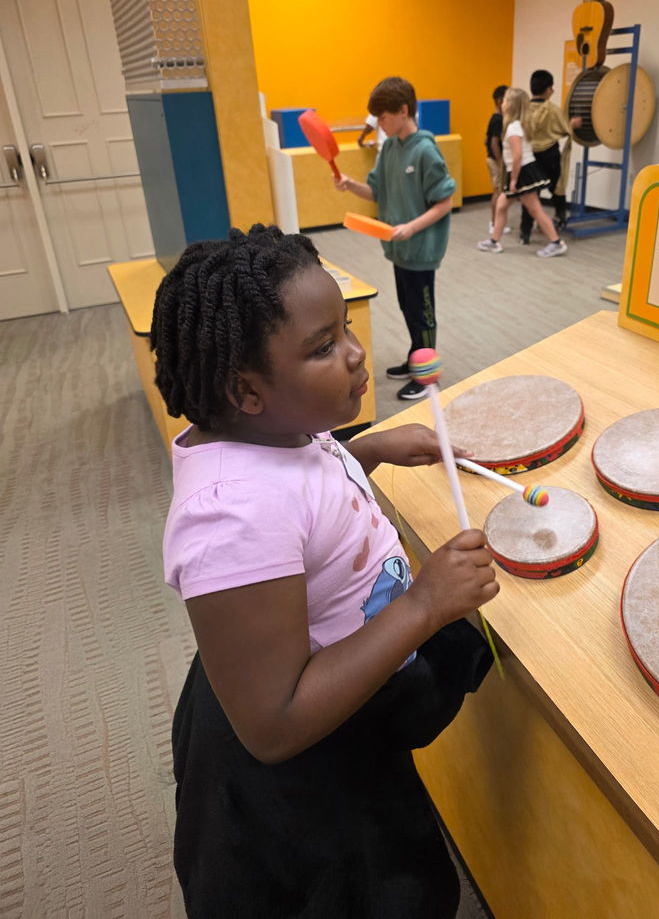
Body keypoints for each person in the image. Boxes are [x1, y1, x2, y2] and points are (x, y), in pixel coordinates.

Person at [151, 224, 497, 919]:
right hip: (302, 762)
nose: (356, 352)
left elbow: (305, 485)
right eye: (323, 347)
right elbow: (273, 724)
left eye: (345, 328)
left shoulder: (277, 428)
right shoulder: (230, 518)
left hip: (332, 683)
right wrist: (423, 607)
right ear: (244, 388)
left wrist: (368, 451)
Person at [334, 76, 455, 402]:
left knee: (423, 311)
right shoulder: (388, 148)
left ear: (403, 111)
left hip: (421, 248)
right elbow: (376, 190)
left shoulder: (426, 151)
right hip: (399, 248)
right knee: (407, 306)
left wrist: (413, 227)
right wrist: (350, 184)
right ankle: (417, 356)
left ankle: (427, 375)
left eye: (383, 118)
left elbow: (444, 202)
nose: (380, 125)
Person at [477, 87, 567, 257]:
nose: (502, 104)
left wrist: (514, 180)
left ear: (511, 105)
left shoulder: (513, 128)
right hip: (520, 171)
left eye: (504, 101)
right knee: (502, 206)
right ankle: (494, 241)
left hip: (522, 172)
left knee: (535, 209)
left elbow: (517, 156)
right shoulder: (515, 125)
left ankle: (556, 243)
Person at [518, 69, 581, 244]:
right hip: (550, 157)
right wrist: (572, 124)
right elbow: (563, 130)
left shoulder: (524, 111)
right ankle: (560, 218)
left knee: (531, 194)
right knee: (557, 189)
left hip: (529, 157)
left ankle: (525, 232)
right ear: (548, 89)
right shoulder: (553, 110)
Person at [484, 84, 511, 235]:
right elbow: (493, 142)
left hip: (493, 159)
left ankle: (496, 222)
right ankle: (494, 223)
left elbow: (485, 139)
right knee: (498, 191)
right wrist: (501, 161)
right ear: (500, 100)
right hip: (496, 161)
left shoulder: (496, 119)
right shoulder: (497, 119)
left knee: (500, 191)